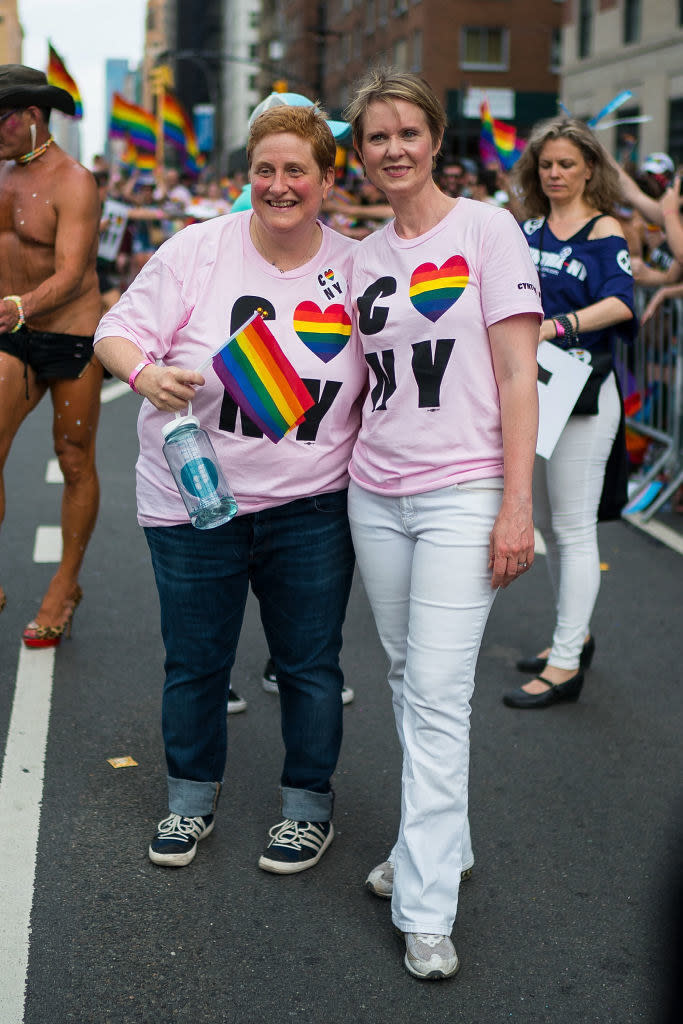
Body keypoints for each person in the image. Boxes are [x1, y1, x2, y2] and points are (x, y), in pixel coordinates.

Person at [94, 103, 366, 873]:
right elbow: (114, 332)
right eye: (264, 171)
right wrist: (145, 373)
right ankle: (188, 803)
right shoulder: (197, 248)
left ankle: (307, 810)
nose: (279, 186)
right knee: (196, 660)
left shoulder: (359, 265)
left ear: (325, 178)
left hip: (311, 505)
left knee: (310, 664)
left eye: (295, 172)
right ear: (246, 177)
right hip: (193, 500)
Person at [344, 68, 542, 980]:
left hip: (464, 493)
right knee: (404, 676)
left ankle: (427, 906)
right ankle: (439, 843)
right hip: (374, 492)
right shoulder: (358, 257)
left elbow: (513, 375)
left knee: (434, 695)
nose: (392, 150)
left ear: (434, 141)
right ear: (361, 153)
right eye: (375, 137)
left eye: (406, 133)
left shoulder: (486, 229)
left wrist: (515, 505)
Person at [503, 116, 636, 710]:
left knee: (575, 528)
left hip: (586, 389)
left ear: (589, 168)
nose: (554, 173)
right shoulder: (526, 229)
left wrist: (557, 326)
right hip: (537, 391)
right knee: (557, 527)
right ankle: (572, 639)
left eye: (566, 164)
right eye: (546, 164)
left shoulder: (603, 228)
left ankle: (564, 664)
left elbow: (621, 303)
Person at [0, 65, 103, 639]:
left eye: (0, 120)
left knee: (74, 460)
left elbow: (70, 272)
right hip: (10, 331)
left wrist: (23, 303)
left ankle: (66, 583)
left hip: (69, 334)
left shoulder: (74, 182)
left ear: (33, 116)